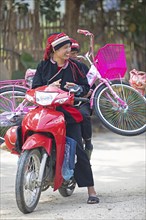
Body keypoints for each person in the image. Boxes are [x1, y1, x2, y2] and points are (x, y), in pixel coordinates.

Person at [32, 32, 99, 204]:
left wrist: (76, 88)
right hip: (46, 112)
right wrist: (48, 86)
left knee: (77, 148)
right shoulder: (43, 66)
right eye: (64, 48)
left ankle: (91, 190)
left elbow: (85, 87)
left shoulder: (75, 66)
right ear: (54, 50)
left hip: (67, 113)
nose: (69, 50)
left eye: (69, 47)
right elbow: (35, 88)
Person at [70, 38, 95, 160]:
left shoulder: (82, 67)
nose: (73, 56)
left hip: (82, 101)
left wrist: (87, 93)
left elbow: (92, 86)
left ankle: (88, 143)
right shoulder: (59, 67)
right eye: (71, 52)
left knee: (83, 115)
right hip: (65, 101)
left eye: (75, 53)